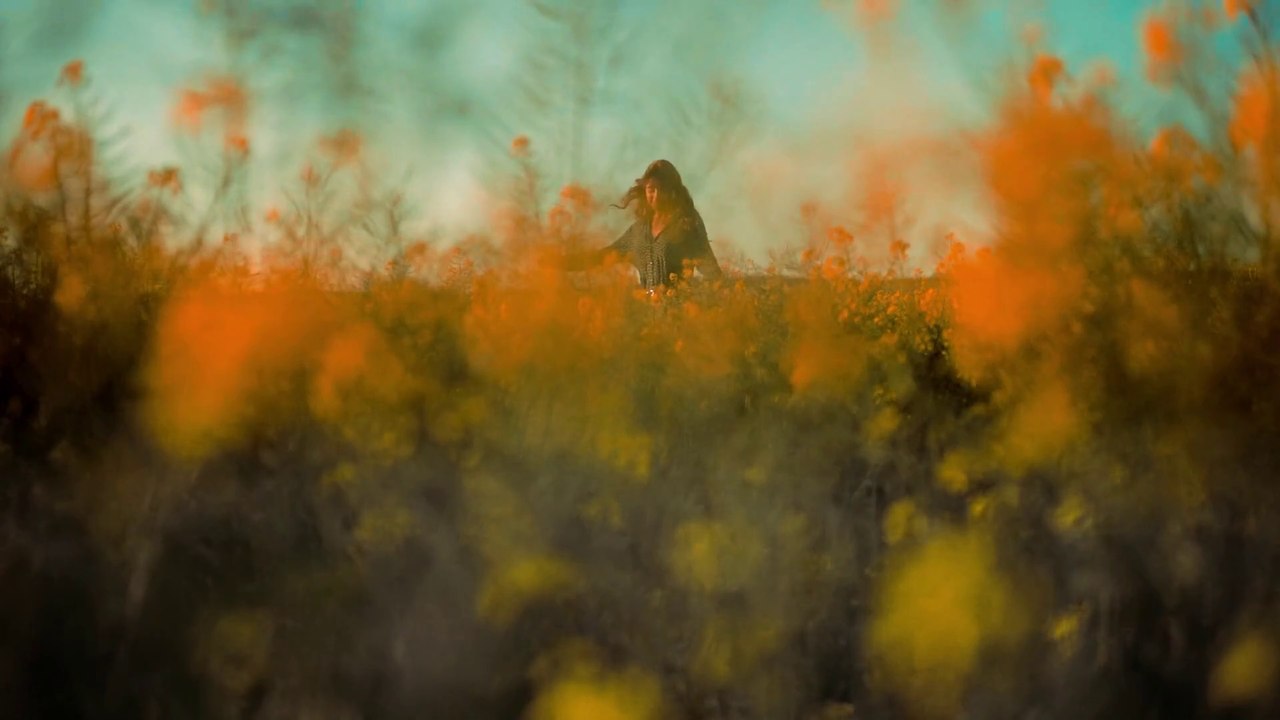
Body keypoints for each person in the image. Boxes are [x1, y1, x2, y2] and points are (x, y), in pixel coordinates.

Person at [565, 159, 722, 293]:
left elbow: (711, 270)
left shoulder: (686, 222)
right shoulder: (639, 231)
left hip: (679, 316)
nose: (657, 196)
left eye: (663, 189)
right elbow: (603, 257)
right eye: (651, 190)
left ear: (673, 191)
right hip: (649, 316)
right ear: (645, 191)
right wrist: (560, 262)